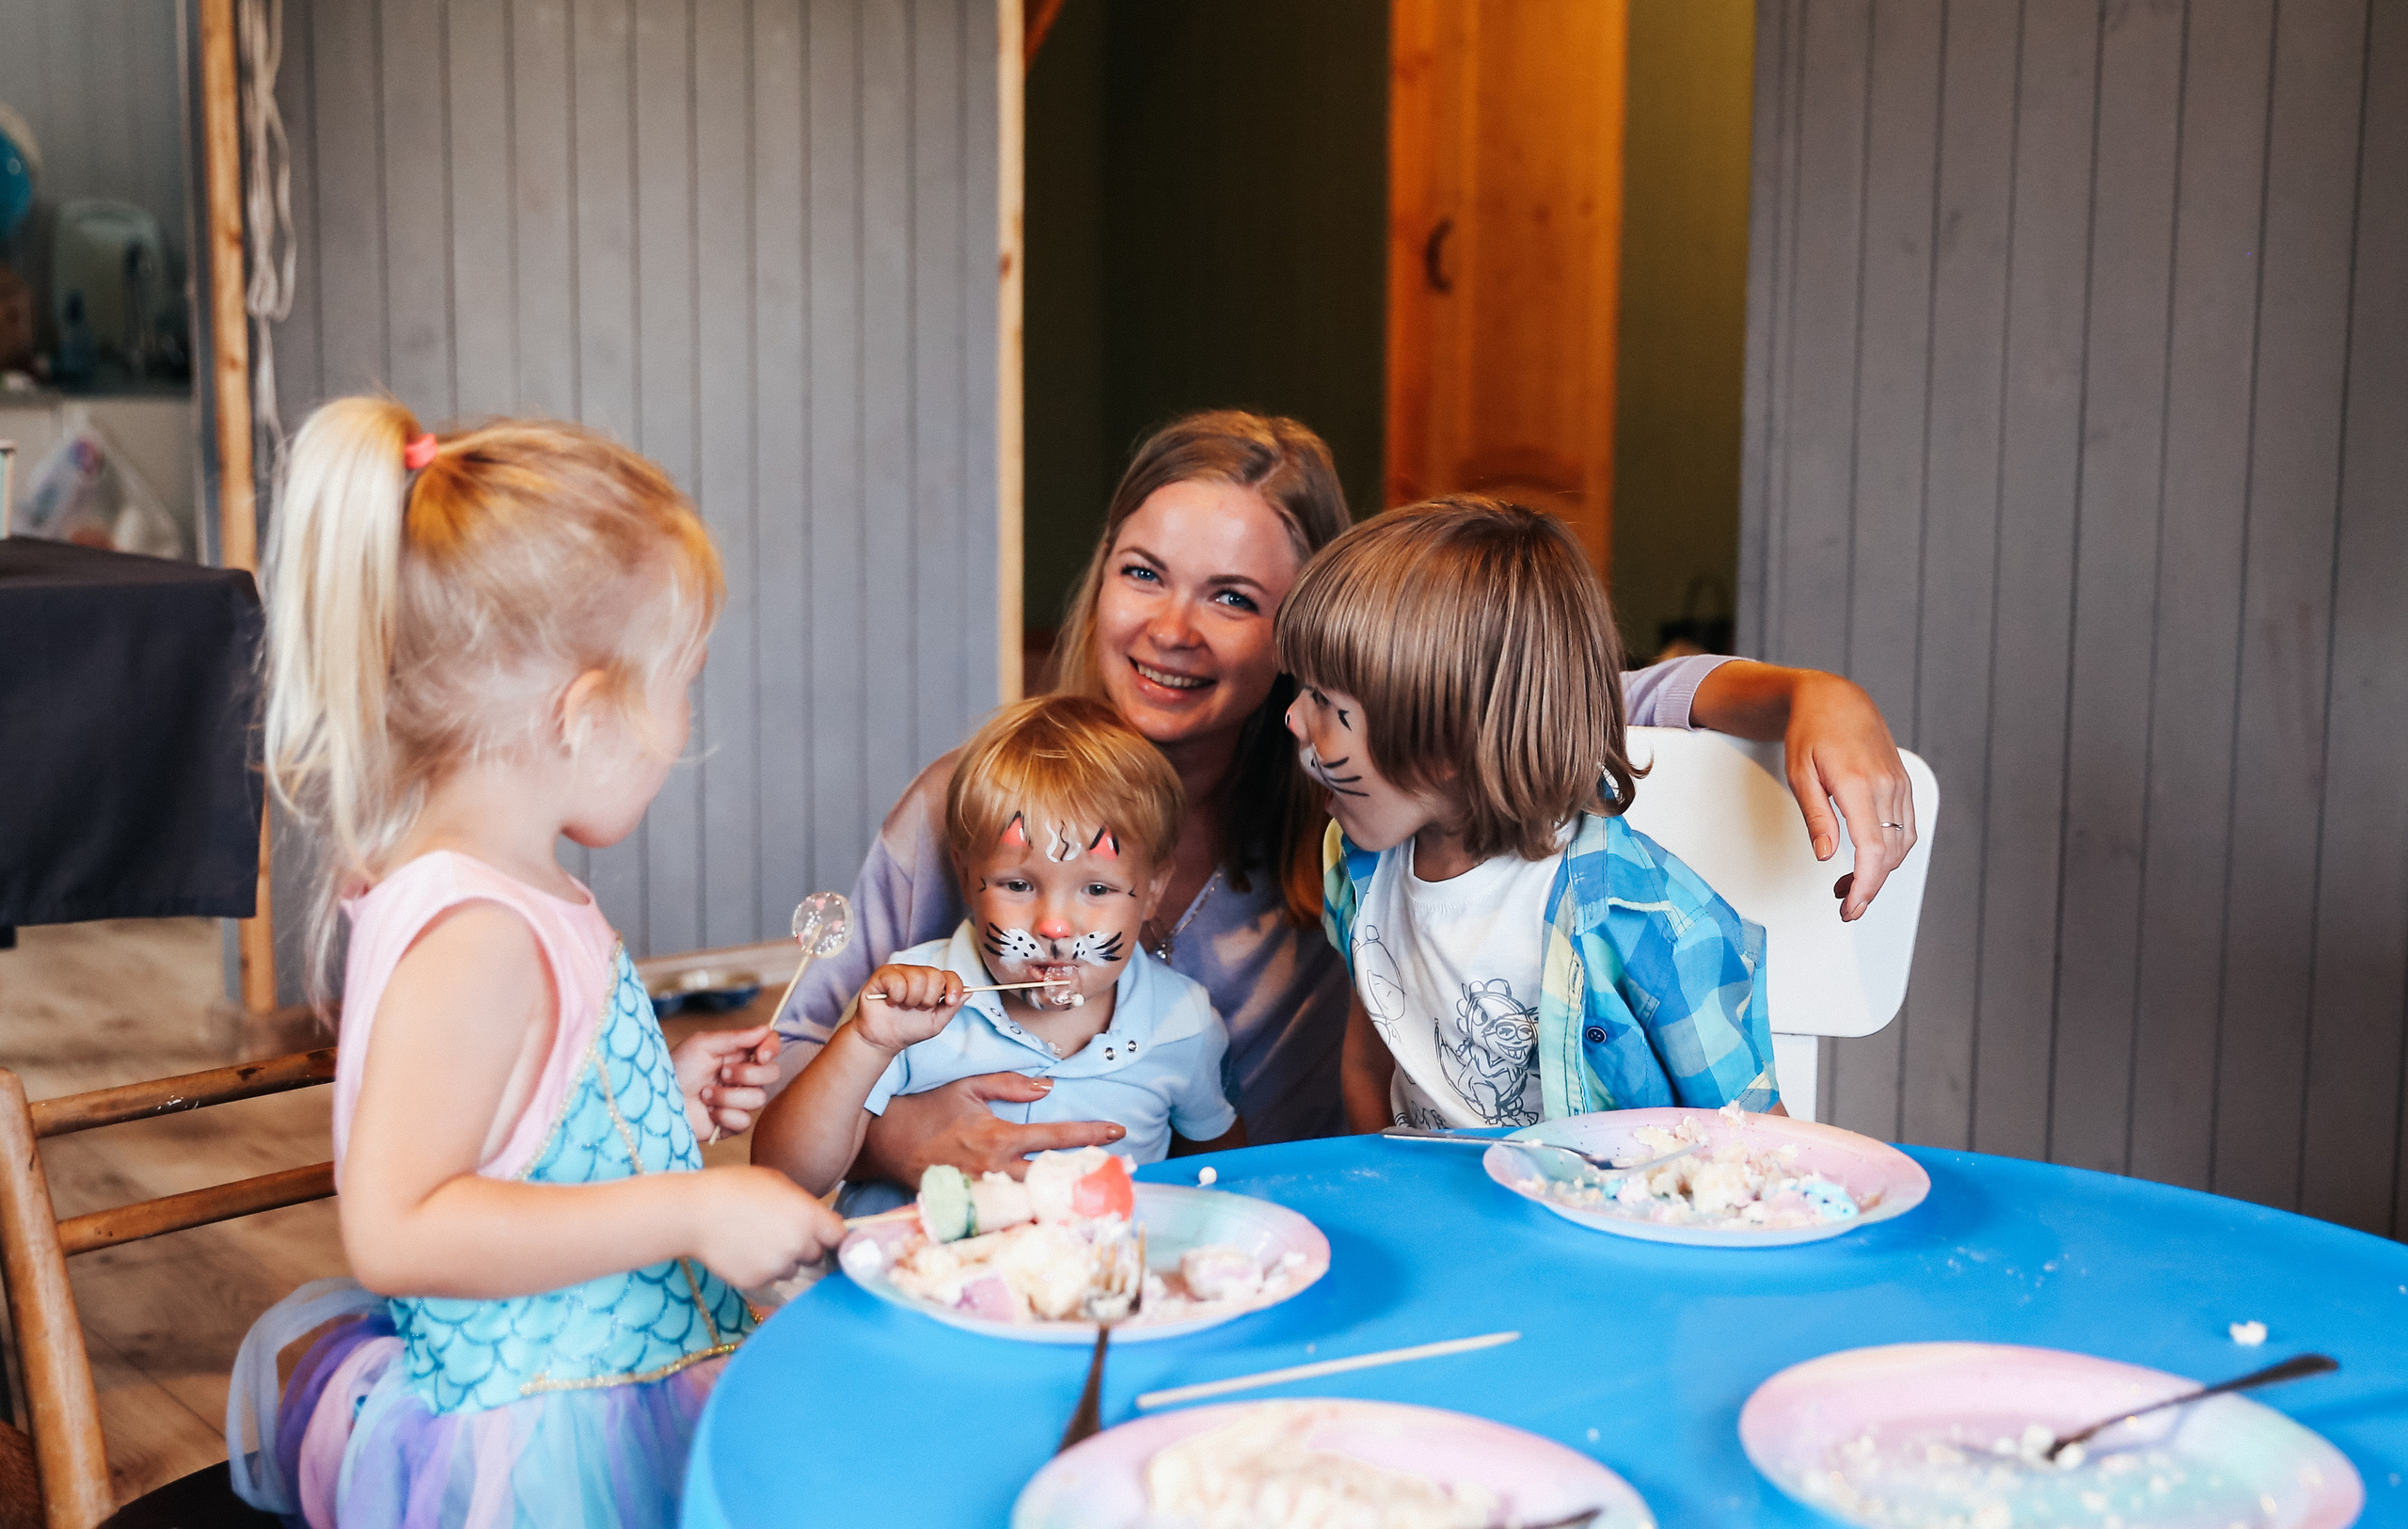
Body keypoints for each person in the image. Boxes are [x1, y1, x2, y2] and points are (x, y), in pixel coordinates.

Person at [776, 412, 1912, 1184]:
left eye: (1232, 598)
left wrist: (1808, 695)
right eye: (1142, 573)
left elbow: (1543, 692)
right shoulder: (974, 803)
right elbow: (796, 1063)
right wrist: (895, 1139)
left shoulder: (1346, 810)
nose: (1170, 628)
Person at [222, 400, 860, 1529]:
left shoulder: (518, 890)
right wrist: (693, 1206)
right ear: (584, 713)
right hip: (541, 1454)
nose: (683, 725)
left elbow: (516, 1135)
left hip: (617, 1386)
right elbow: (399, 1229)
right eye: (681, 683)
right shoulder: (475, 930)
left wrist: (654, 1099)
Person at [1281, 497, 1780, 1130]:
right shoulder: (1357, 869)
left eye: (1326, 702)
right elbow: (1367, 1063)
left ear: (1446, 746)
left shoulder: (1647, 923)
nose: (1293, 717)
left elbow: (1758, 1138)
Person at [754, 695, 1244, 1205]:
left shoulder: (1183, 1023)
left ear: (1154, 890)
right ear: (966, 874)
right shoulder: (905, 1004)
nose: (1055, 927)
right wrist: (867, 1044)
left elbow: (1223, 1187)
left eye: (1097, 889)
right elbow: (784, 1176)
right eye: (1018, 885)